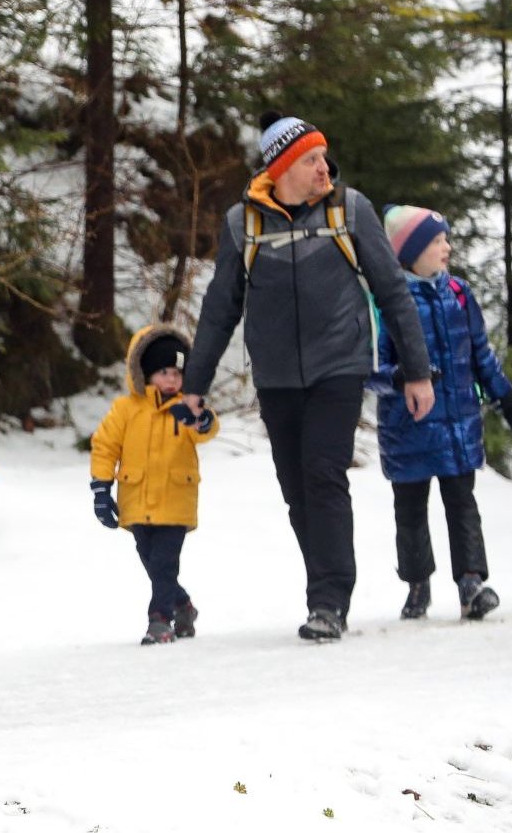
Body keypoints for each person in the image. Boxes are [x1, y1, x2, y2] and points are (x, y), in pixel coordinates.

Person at [180, 114, 435, 641]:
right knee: (296, 489)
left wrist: (417, 372)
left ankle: (328, 599)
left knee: (323, 475)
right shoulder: (242, 224)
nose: (325, 168)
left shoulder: (349, 210)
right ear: (283, 168)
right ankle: (325, 584)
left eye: (324, 157)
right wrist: (194, 385)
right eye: (312, 160)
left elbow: (392, 291)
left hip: (338, 366)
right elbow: (218, 310)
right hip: (275, 377)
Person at [374, 205, 512, 621]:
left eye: (445, 238)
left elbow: (482, 355)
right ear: (410, 252)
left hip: (459, 424)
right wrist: (405, 376)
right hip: (407, 427)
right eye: (435, 241)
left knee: (462, 504)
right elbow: (369, 370)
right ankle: (417, 585)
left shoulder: (459, 295)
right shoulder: (388, 302)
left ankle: (471, 583)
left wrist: (508, 403)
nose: (446, 246)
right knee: (409, 511)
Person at [89, 325, 221, 644]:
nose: (172, 379)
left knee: (164, 562)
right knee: (153, 563)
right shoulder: (126, 410)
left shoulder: (186, 407)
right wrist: (102, 489)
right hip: (136, 502)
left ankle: (159, 619)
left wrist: (200, 419)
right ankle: (183, 605)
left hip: (175, 502)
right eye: (164, 371)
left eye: (178, 372)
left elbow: (207, 429)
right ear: (145, 372)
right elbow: (105, 446)